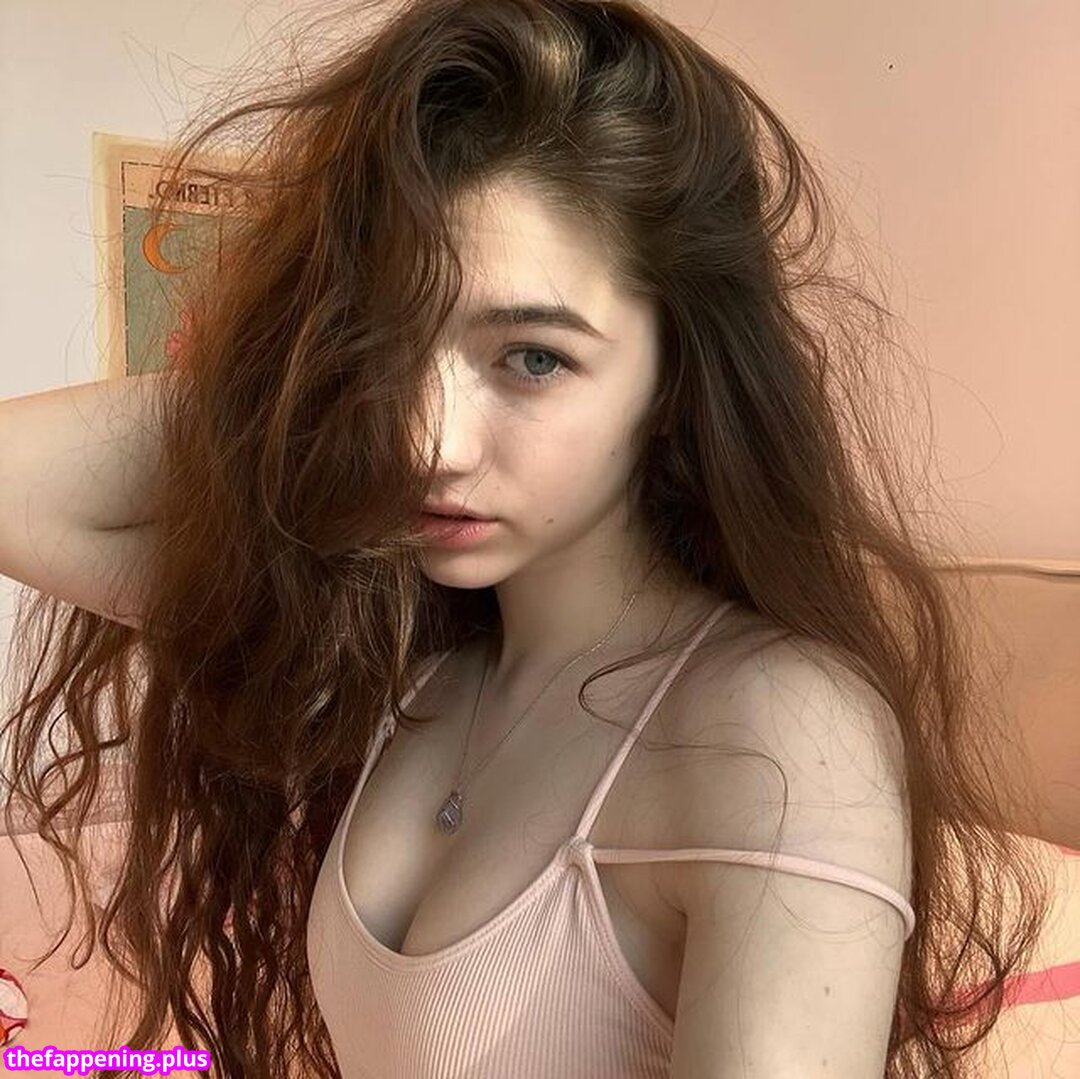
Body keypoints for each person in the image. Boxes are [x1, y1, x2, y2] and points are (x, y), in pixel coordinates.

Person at [0, 1, 1054, 1076]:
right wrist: (286, 382)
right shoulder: (404, 655)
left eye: (533, 357)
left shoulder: (775, 725)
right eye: (384, 348)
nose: (426, 442)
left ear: (678, 373)